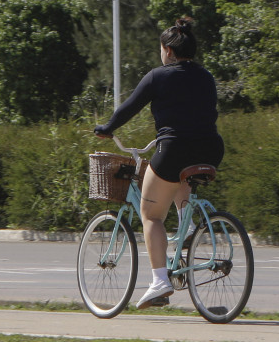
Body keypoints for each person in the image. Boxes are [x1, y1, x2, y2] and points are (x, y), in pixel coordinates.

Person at [94, 17, 224, 309]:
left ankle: (159, 282)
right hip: (211, 149)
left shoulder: (158, 76)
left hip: (175, 148)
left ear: (167, 50)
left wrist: (107, 128)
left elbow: (128, 108)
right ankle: (187, 227)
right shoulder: (206, 76)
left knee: (151, 214)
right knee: (180, 179)